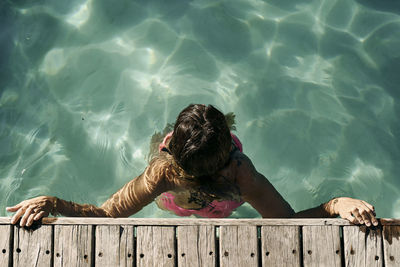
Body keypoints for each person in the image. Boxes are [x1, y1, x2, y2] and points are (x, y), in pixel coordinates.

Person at [6, 104, 378, 227]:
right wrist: (52, 204)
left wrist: (336, 204)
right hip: (177, 202)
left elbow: (287, 223)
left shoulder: (239, 174)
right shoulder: (165, 171)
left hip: (200, 202)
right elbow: (108, 215)